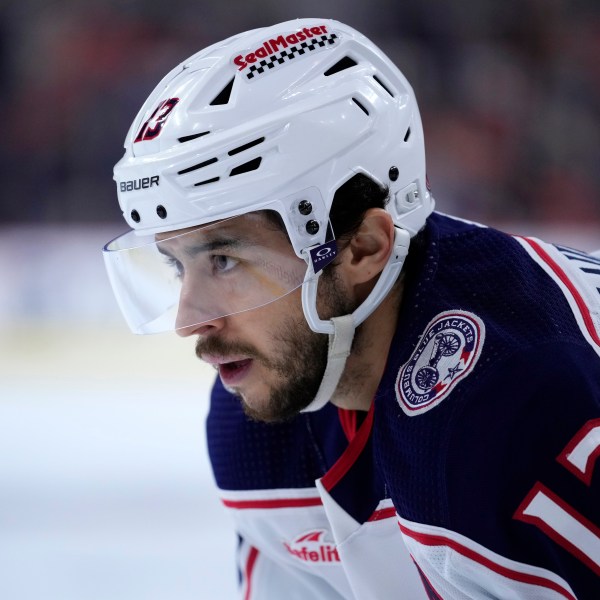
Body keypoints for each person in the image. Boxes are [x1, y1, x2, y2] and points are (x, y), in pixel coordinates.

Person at [103, 18, 600, 599]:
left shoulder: (513, 409)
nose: (191, 319)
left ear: (362, 247)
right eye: (175, 265)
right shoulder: (265, 425)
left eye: (224, 260)